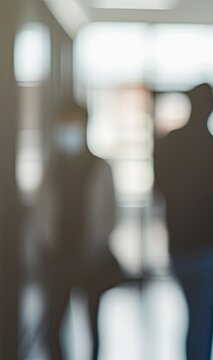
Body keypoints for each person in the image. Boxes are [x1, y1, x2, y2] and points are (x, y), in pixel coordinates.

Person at [153, 83, 213, 360]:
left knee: (196, 313)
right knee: (202, 316)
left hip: (182, 245)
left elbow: (159, 189)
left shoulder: (169, 145)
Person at [42, 100, 122, 360]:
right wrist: (44, 245)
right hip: (59, 257)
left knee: (92, 323)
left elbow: (111, 213)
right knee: (52, 326)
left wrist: (98, 243)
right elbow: (41, 214)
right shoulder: (53, 169)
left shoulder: (100, 167)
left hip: (90, 258)